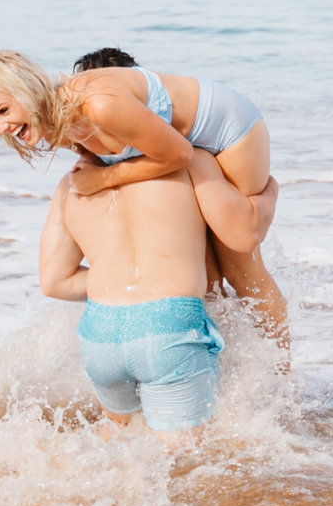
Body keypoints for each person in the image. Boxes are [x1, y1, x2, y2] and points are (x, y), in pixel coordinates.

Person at [0, 48, 286, 339]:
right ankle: (229, 371)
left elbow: (180, 155)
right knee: (206, 280)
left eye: (3, 110)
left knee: (240, 255)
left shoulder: (99, 104)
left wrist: (105, 178)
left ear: (27, 90)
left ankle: (280, 384)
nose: (1, 127)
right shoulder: (58, 129)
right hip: (179, 145)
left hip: (226, 129)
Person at [40, 145, 277, 434]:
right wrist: (270, 191)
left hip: (99, 333)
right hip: (168, 325)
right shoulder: (193, 163)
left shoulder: (71, 184)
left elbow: (54, 282)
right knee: (186, 462)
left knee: (119, 447)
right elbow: (244, 235)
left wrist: (116, 280)